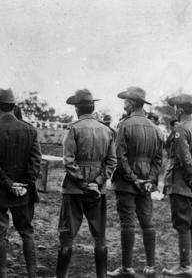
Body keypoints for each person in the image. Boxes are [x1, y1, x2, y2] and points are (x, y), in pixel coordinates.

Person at [55, 89, 116, 278]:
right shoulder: (107, 130)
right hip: (97, 190)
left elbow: (68, 161)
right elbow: (111, 161)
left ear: (76, 109)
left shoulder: (73, 128)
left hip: (74, 189)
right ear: (93, 107)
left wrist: (82, 183)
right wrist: (96, 183)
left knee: (67, 235)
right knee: (100, 236)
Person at [0, 88, 41, 278]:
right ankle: (32, 275)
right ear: (14, 106)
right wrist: (24, 186)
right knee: (27, 232)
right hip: (23, 193)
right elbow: (35, 162)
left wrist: (8, 184)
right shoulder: (30, 130)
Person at [107, 87, 163, 278]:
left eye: (125, 101)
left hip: (126, 183)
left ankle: (127, 268)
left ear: (131, 103)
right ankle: (151, 266)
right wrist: (149, 180)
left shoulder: (124, 125)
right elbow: (158, 160)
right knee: (147, 223)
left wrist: (134, 178)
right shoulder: (156, 128)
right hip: (146, 183)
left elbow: (120, 158)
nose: (124, 104)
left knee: (127, 224)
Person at [162, 94, 192, 278]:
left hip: (182, 185)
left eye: (175, 108)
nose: (175, 110)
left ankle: (184, 267)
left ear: (180, 110)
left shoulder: (181, 130)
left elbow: (185, 158)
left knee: (182, 225)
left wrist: (191, 182)